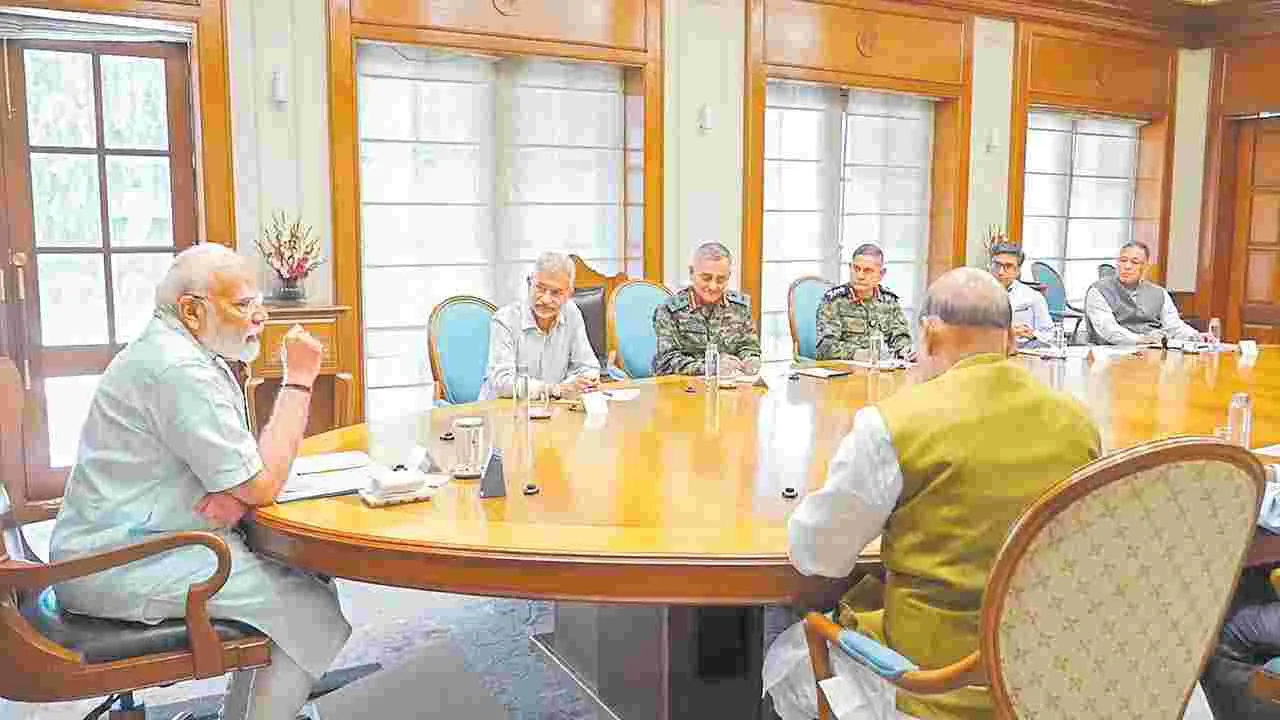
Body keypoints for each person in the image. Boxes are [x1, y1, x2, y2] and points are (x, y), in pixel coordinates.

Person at [765, 267, 1101, 719]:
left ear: (927, 333)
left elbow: (817, 556)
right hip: (1042, 677)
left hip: (932, 685)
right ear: (1010, 339)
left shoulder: (896, 423)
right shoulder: (1078, 421)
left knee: (781, 637)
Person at [49, 244, 351, 720]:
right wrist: (298, 380)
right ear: (191, 311)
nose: (261, 317)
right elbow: (261, 484)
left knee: (307, 584)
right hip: (121, 562)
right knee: (312, 609)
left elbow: (245, 474)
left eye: (258, 303)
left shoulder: (182, 353)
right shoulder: (178, 369)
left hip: (137, 542)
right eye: (244, 305)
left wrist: (240, 492)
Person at [479, 251, 600, 400]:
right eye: (540, 288)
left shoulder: (572, 313)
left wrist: (585, 381)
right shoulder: (505, 320)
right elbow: (502, 383)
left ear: (569, 294)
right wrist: (555, 390)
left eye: (556, 292)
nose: (546, 299)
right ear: (529, 283)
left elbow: (588, 367)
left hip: (551, 408)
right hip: (502, 409)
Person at [652, 242, 761, 376]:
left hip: (729, 384)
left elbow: (749, 347)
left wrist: (750, 360)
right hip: (683, 386)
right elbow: (666, 362)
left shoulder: (740, 308)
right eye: (706, 278)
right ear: (691, 273)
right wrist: (711, 367)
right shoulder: (669, 311)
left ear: (729, 276)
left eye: (721, 279)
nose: (713, 286)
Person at [1084, 241, 1212, 345]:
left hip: (1152, 353)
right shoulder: (1099, 290)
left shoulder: (1159, 293)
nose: (1127, 266)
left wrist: (1196, 336)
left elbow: (1174, 326)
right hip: (1109, 354)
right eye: (1123, 260)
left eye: (1134, 262)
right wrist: (1141, 339)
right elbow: (1107, 329)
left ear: (1145, 267)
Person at [816, 244, 914, 361]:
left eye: (868, 271)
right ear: (850, 268)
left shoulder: (889, 301)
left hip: (879, 368)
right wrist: (857, 354)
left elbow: (900, 336)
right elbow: (825, 348)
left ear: (881, 274)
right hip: (846, 368)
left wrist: (904, 350)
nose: (860, 276)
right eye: (856, 269)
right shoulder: (835, 300)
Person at [988, 242, 1054, 348]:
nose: (1000, 272)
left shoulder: (1033, 297)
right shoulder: (975, 295)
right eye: (997, 265)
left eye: (1008, 266)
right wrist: (1007, 333)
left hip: (1022, 351)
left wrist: (1032, 335)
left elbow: (1049, 334)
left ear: (1018, 271)